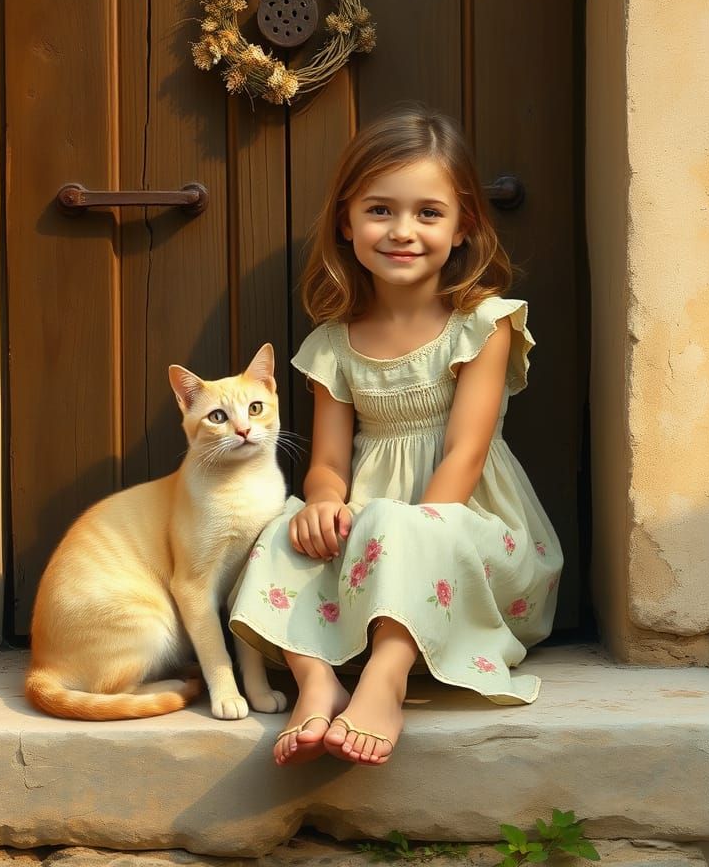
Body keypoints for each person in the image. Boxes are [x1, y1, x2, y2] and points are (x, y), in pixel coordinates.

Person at [228, 103, 563, 768]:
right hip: (371, 534)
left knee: (397, 523)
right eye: (380, 210)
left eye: (428, 213)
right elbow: (328, 461)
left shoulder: (483, 324)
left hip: (463, 535)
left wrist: (410, 535)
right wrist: (323, 501)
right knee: (279, 531)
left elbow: (466, 452)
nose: (402, 231)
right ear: (346, 221)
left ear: (464, 225)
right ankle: (317, 681)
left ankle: (385, 678)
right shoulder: (333, 344)